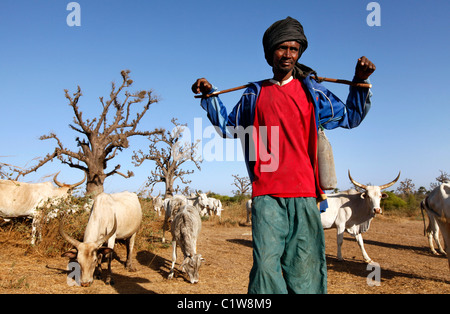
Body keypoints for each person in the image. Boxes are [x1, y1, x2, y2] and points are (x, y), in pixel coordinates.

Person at [191, 16, 375, 294]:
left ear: (299, 52)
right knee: (265, 268)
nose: (288, 54)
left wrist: (360, 82)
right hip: (266, 196)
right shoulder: (254, 94)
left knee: (305, 268)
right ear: (269, 53)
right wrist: (210, 96)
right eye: (282, 48)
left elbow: (350, 117)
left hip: (304, 194)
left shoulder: (313, 92)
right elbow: (229, 127)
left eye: (294, 48)